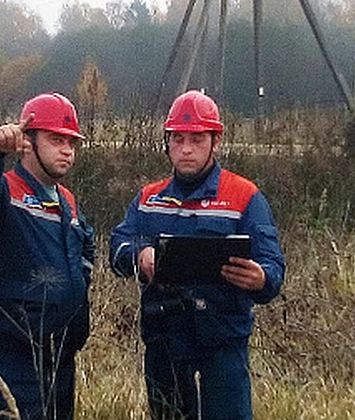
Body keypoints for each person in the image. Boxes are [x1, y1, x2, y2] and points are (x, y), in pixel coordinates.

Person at [110, 90, 285, 420]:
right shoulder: (148, 198)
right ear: (167, 142)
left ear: (215, 142)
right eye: (178, 139)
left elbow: (273, 266)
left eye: (197, 139)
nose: (186, 149)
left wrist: (260, 277)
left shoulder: (244, 196)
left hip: (222, 344)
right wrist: (139, 255)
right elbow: (118, 244)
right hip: (164, 342)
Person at [0, 92, 95, 420]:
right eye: (55, 139)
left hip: (60, 357)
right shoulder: (3, 194)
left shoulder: (67, 202)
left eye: (71, 142)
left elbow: (85, 246)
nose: (66, 150)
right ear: (26, 142)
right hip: (10, 355)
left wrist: (77, 285)